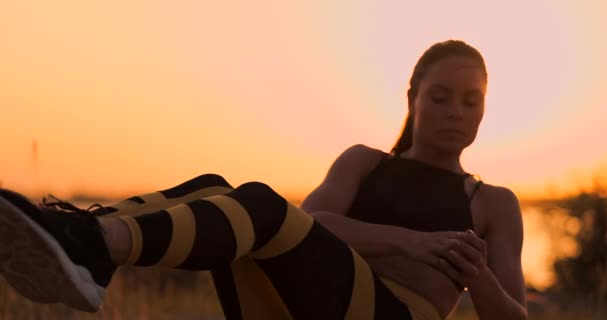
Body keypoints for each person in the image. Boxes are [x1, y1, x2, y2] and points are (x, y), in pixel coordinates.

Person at [0, 39, 528, 320]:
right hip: (306, 309)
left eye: (471, 100)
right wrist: (409, 242)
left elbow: (512, 318)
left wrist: (477, 276)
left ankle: (92, 247)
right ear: (412, 98)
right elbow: (311, 224)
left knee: (257, 203)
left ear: (485, 109)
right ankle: (77, 237)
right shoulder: (365, 162)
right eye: (440, 97)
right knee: (213, 187)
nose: (456, 112)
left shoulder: (492, 203)